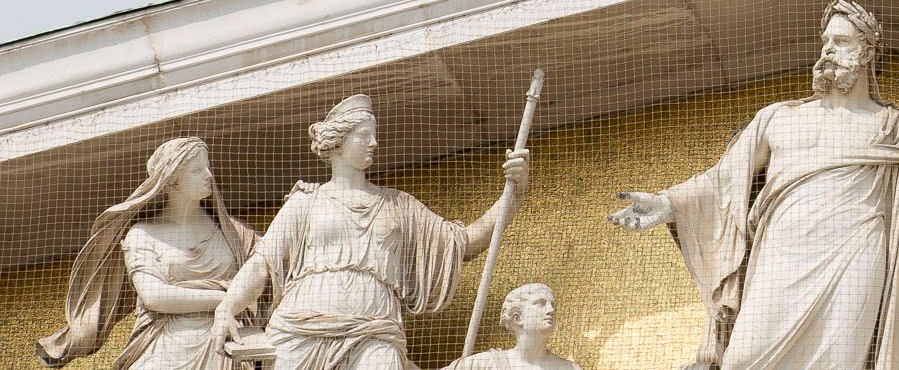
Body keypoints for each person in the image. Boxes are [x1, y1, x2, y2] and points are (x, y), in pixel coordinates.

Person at [609, 0, 899, 370]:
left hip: (855, 254)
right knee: (743, 359)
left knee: (839, 364)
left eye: (841, 41)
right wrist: (667, 203)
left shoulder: (894, 127)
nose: (828, 50)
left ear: (867, 53)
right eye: (825, 41)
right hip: (781, 252)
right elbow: (723, 180)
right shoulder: (779, 118)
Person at [212, 95, 530, 370]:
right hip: (303, 325)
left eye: (374, 135)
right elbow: (262, 264)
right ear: (338, 142)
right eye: (364, 135)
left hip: (375, 328)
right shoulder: (306, 202)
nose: (374, 143)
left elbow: (465, 243)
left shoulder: (398, 206)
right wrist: (227, 307)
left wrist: (512, 196)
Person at [37, 136, 258, 370]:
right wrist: (228, 299)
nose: (209, 175)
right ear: (172, 179)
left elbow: (271, 265)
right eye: (196, 170)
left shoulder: (232, 232)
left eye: (207, 167)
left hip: (225, 342)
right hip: (165, 347)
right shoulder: (142, 234)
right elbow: (154, 297)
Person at [444, 283, 580, 370]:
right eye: (540, 303)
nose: (551, 310)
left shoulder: (568, 368)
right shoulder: (483, 364)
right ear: (517, 317)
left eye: (553, 305)